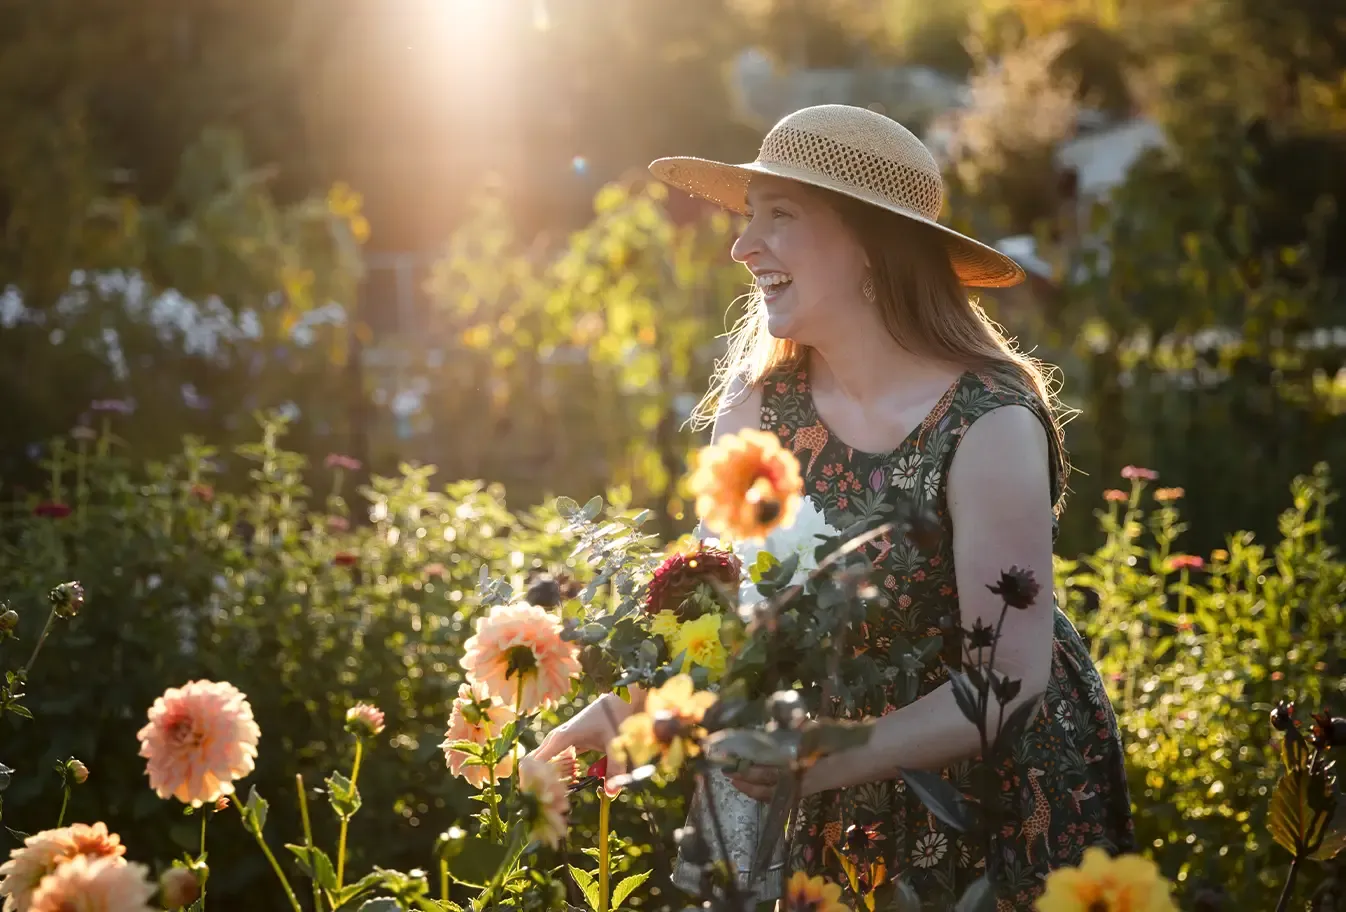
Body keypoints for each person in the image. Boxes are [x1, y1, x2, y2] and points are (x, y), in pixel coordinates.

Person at [532, 104, 1134, 909]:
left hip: (992, 797)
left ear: (871, 248)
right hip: (823, 796)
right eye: (749, 217)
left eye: (781, 216)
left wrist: (811, 760)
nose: (744, 246)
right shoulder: (754, 412)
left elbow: (1007, 681)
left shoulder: (986, 422)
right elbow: (732, 636)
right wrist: (623, 712)